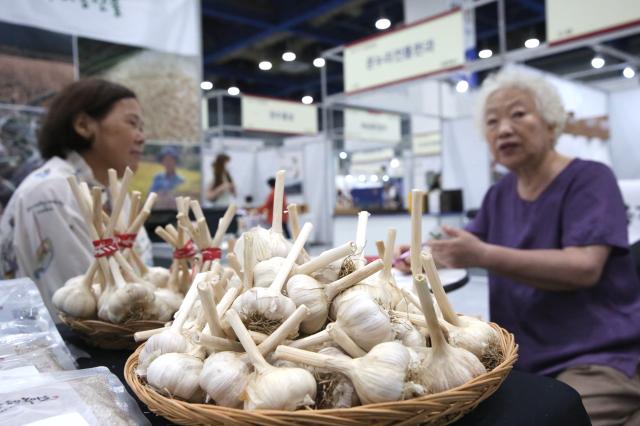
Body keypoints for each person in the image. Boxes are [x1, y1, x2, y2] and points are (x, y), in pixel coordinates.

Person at [399, 70, 640, 425]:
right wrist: (421, 253)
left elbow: (584, 267)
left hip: (595, 355)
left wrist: (481, 254)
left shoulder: (590, 178)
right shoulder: (499, 194)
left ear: (551, 122)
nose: (504, 129)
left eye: (519, 114)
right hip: (519, 356)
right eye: (492, 122)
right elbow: (461, 246)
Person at [0, 78, 152, 317]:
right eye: (132, 123)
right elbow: (85, 309)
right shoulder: (50, 194)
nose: (141, 137)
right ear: (83, 125)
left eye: (141, 127)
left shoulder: (116, 192)